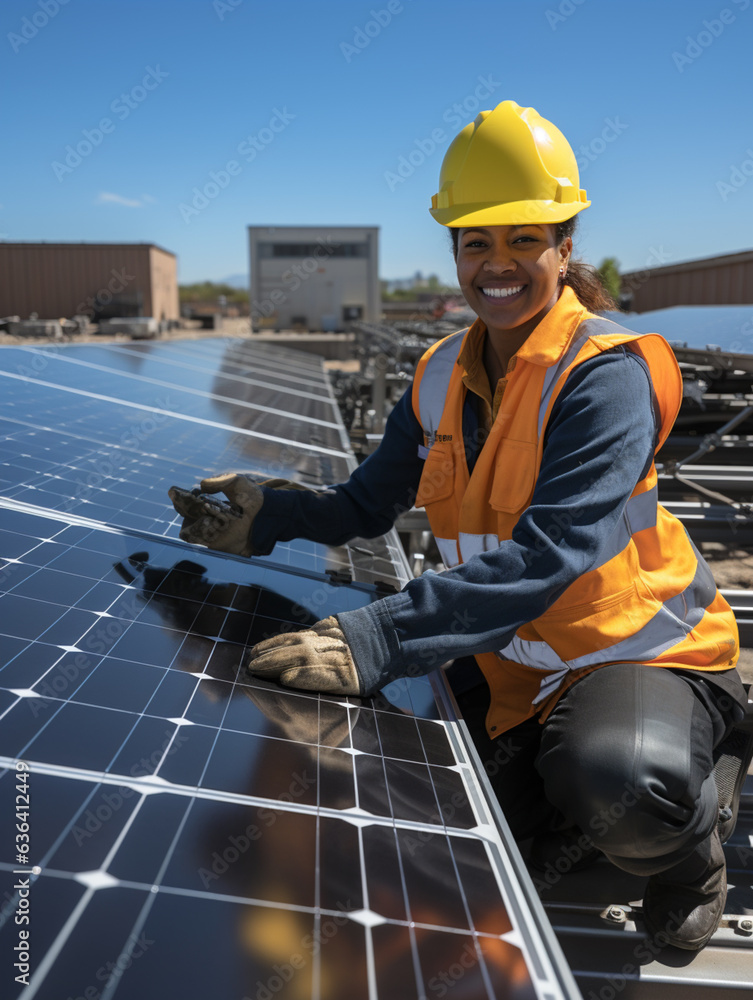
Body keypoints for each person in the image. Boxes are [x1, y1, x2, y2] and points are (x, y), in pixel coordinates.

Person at [170, 100, 748, 951]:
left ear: (564, 245)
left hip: (635, 652)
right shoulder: (439, 372)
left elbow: (552, 555)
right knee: (452, 843)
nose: (498, 263)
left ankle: (689, 846)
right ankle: (590, 803)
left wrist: (374, 640)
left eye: (523, 239)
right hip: (513, 665)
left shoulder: (605, 375)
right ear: (453, 254)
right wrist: (269, 515)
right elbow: (365, 506)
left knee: (616, 780)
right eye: (476, 242)